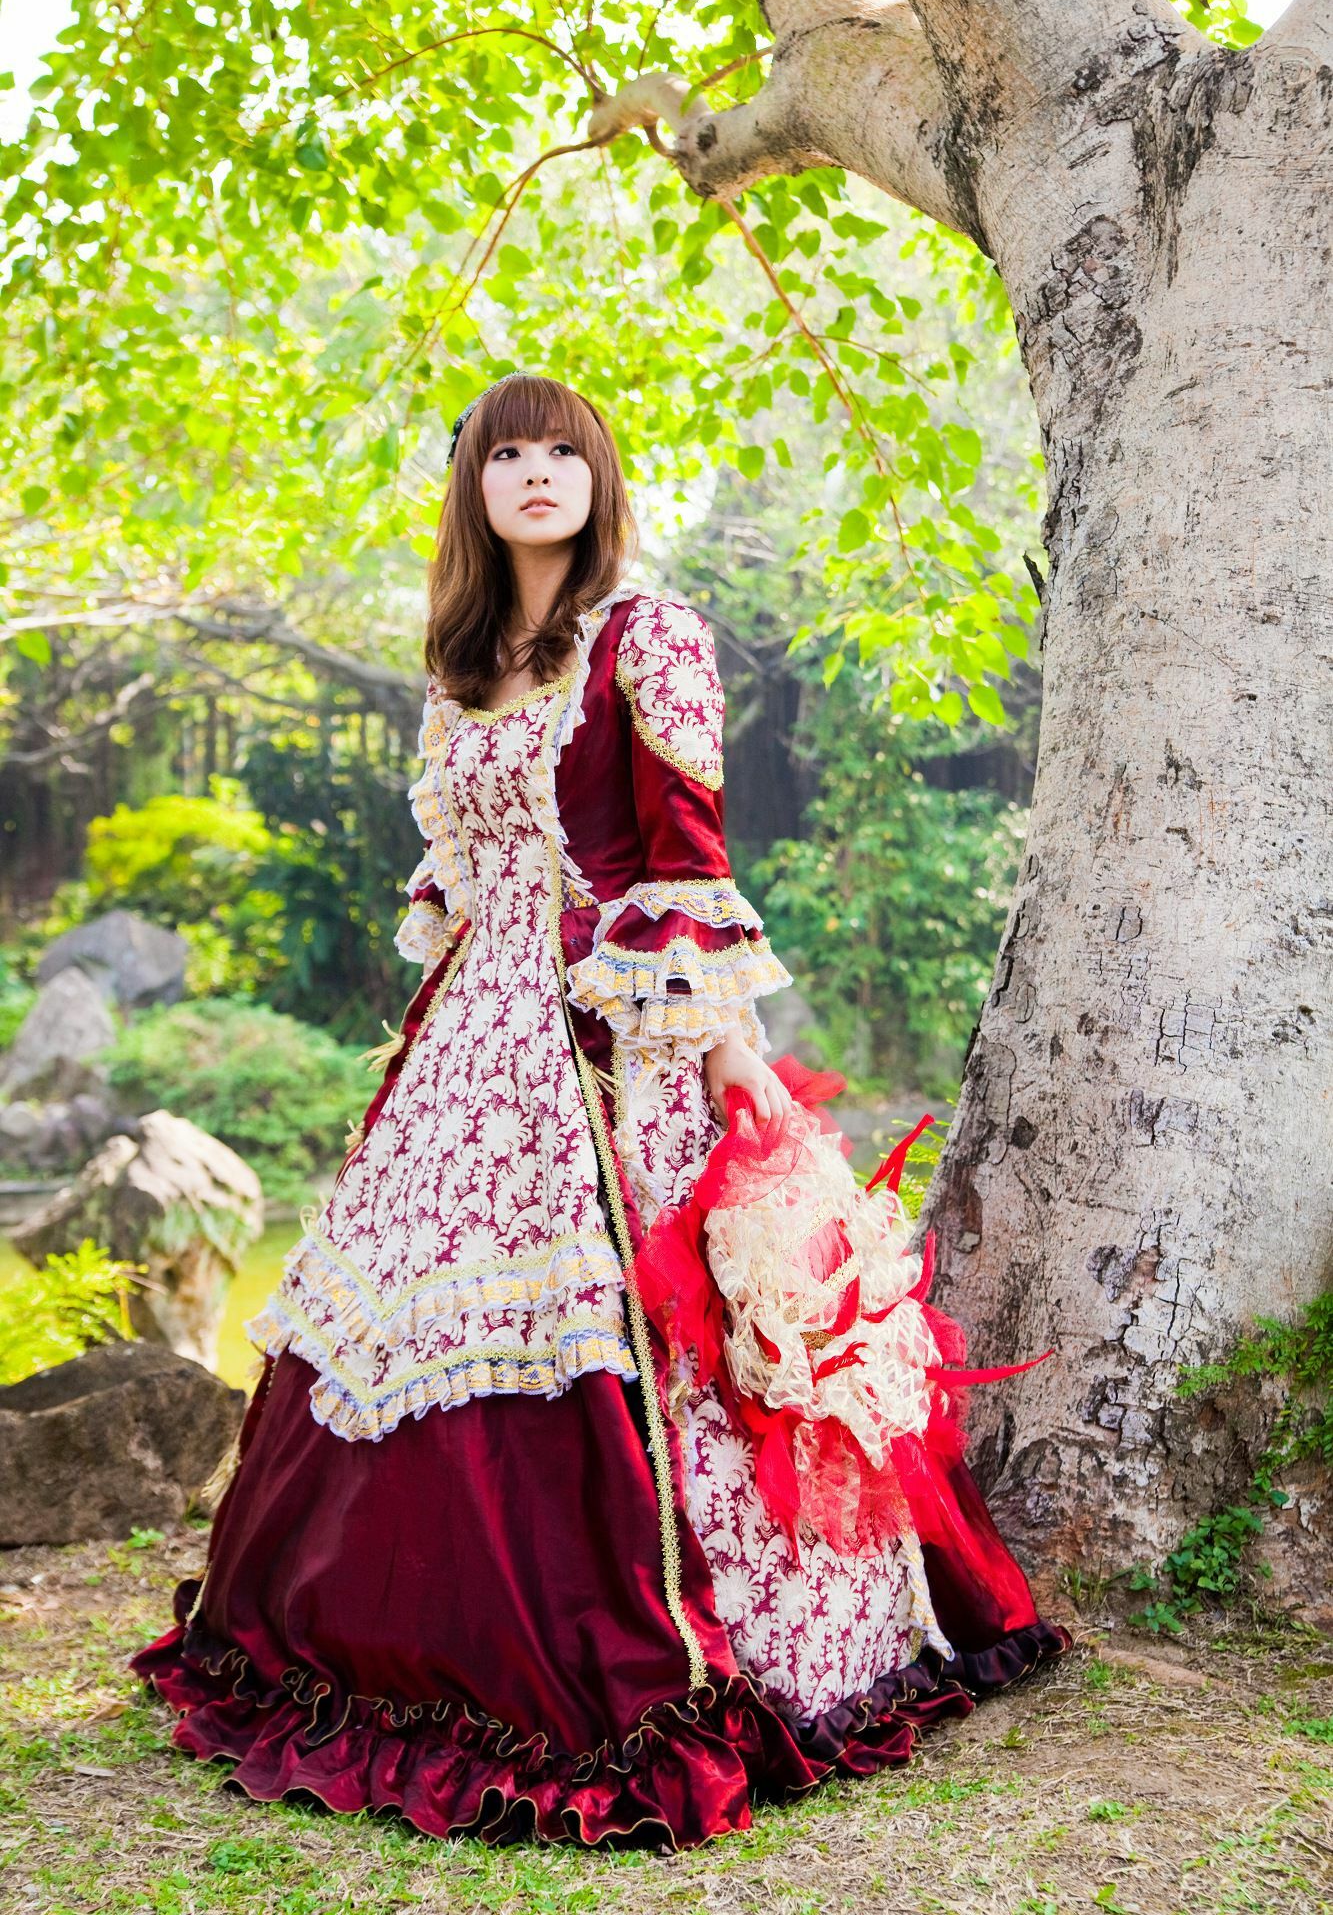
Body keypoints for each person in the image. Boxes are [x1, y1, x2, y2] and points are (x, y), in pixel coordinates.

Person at [128, 370, 1070, 1849]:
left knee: (637, 1340)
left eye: (561, 452)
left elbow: (684, 861)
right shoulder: (460, 667)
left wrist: (729, 1056)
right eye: (507, 453)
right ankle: (379, 1643)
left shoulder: (649, 637)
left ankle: (647, 1651)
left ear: (596, 477)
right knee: (389, 1334)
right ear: (475, 487)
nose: (536, 473)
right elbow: (460, 882)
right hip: (468, 1043)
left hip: (607, 1039)